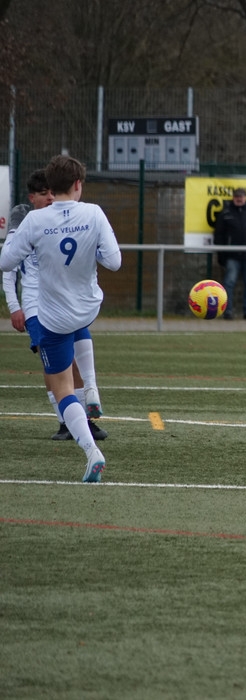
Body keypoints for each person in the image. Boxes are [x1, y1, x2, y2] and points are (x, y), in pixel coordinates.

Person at [0, 155, 122, 482]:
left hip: (52, 317)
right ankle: (92, 389)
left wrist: (20, 238)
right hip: (88, 307)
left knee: (62, 388)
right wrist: (91, 249)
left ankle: (91, 451)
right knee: (79, 326)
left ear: (50, 189)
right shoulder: (94, 213)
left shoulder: (35, 220)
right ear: (78, 184)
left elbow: (6, 262)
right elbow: (114, 262)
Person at [214, 186, 246, 320]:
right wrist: (221, 253)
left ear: (245, 198)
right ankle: (228, 311)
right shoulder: (225, 214)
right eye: (237, 197)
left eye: (241, 196)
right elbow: (218, 235)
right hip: (232, 255)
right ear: (233, 198)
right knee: (229, 283)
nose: (239, 199)